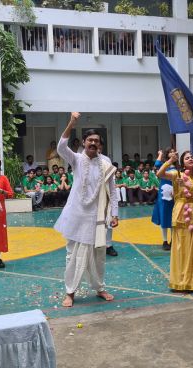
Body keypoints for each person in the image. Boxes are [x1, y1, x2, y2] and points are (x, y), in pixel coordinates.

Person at [54, 112, 119, 307]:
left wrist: (114, 214)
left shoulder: (106, 164)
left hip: (97, 217)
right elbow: (60, 147)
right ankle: (70, 292)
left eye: (96, 141)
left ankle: (99, 287)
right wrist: (72, 123)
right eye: (89, 140)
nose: (93, 143)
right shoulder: (75, 159)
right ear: (83, 142)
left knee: (98, 255)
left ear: (100, 145)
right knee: (72, 255)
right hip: (76, 215)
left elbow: (112, 191)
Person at [157, 150, 193, 291]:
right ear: (182, 162)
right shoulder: (176, 174)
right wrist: (169, 161)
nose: (191, 159)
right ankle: (181, 280)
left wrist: (186, 185)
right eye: (187, 158)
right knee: (182, 246)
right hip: (181, 211)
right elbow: (160, 174)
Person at [152, 148, 177, 251]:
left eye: (174, 151)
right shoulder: (164, 165)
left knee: (173, 217)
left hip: (174, 195)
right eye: (170, 151)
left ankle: (173, 240)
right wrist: (160, 154)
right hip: (163, 194)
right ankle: (164, 240)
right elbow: (157, 164)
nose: (172, 153)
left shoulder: (178, 167)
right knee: (164, 216)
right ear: (167, 155)